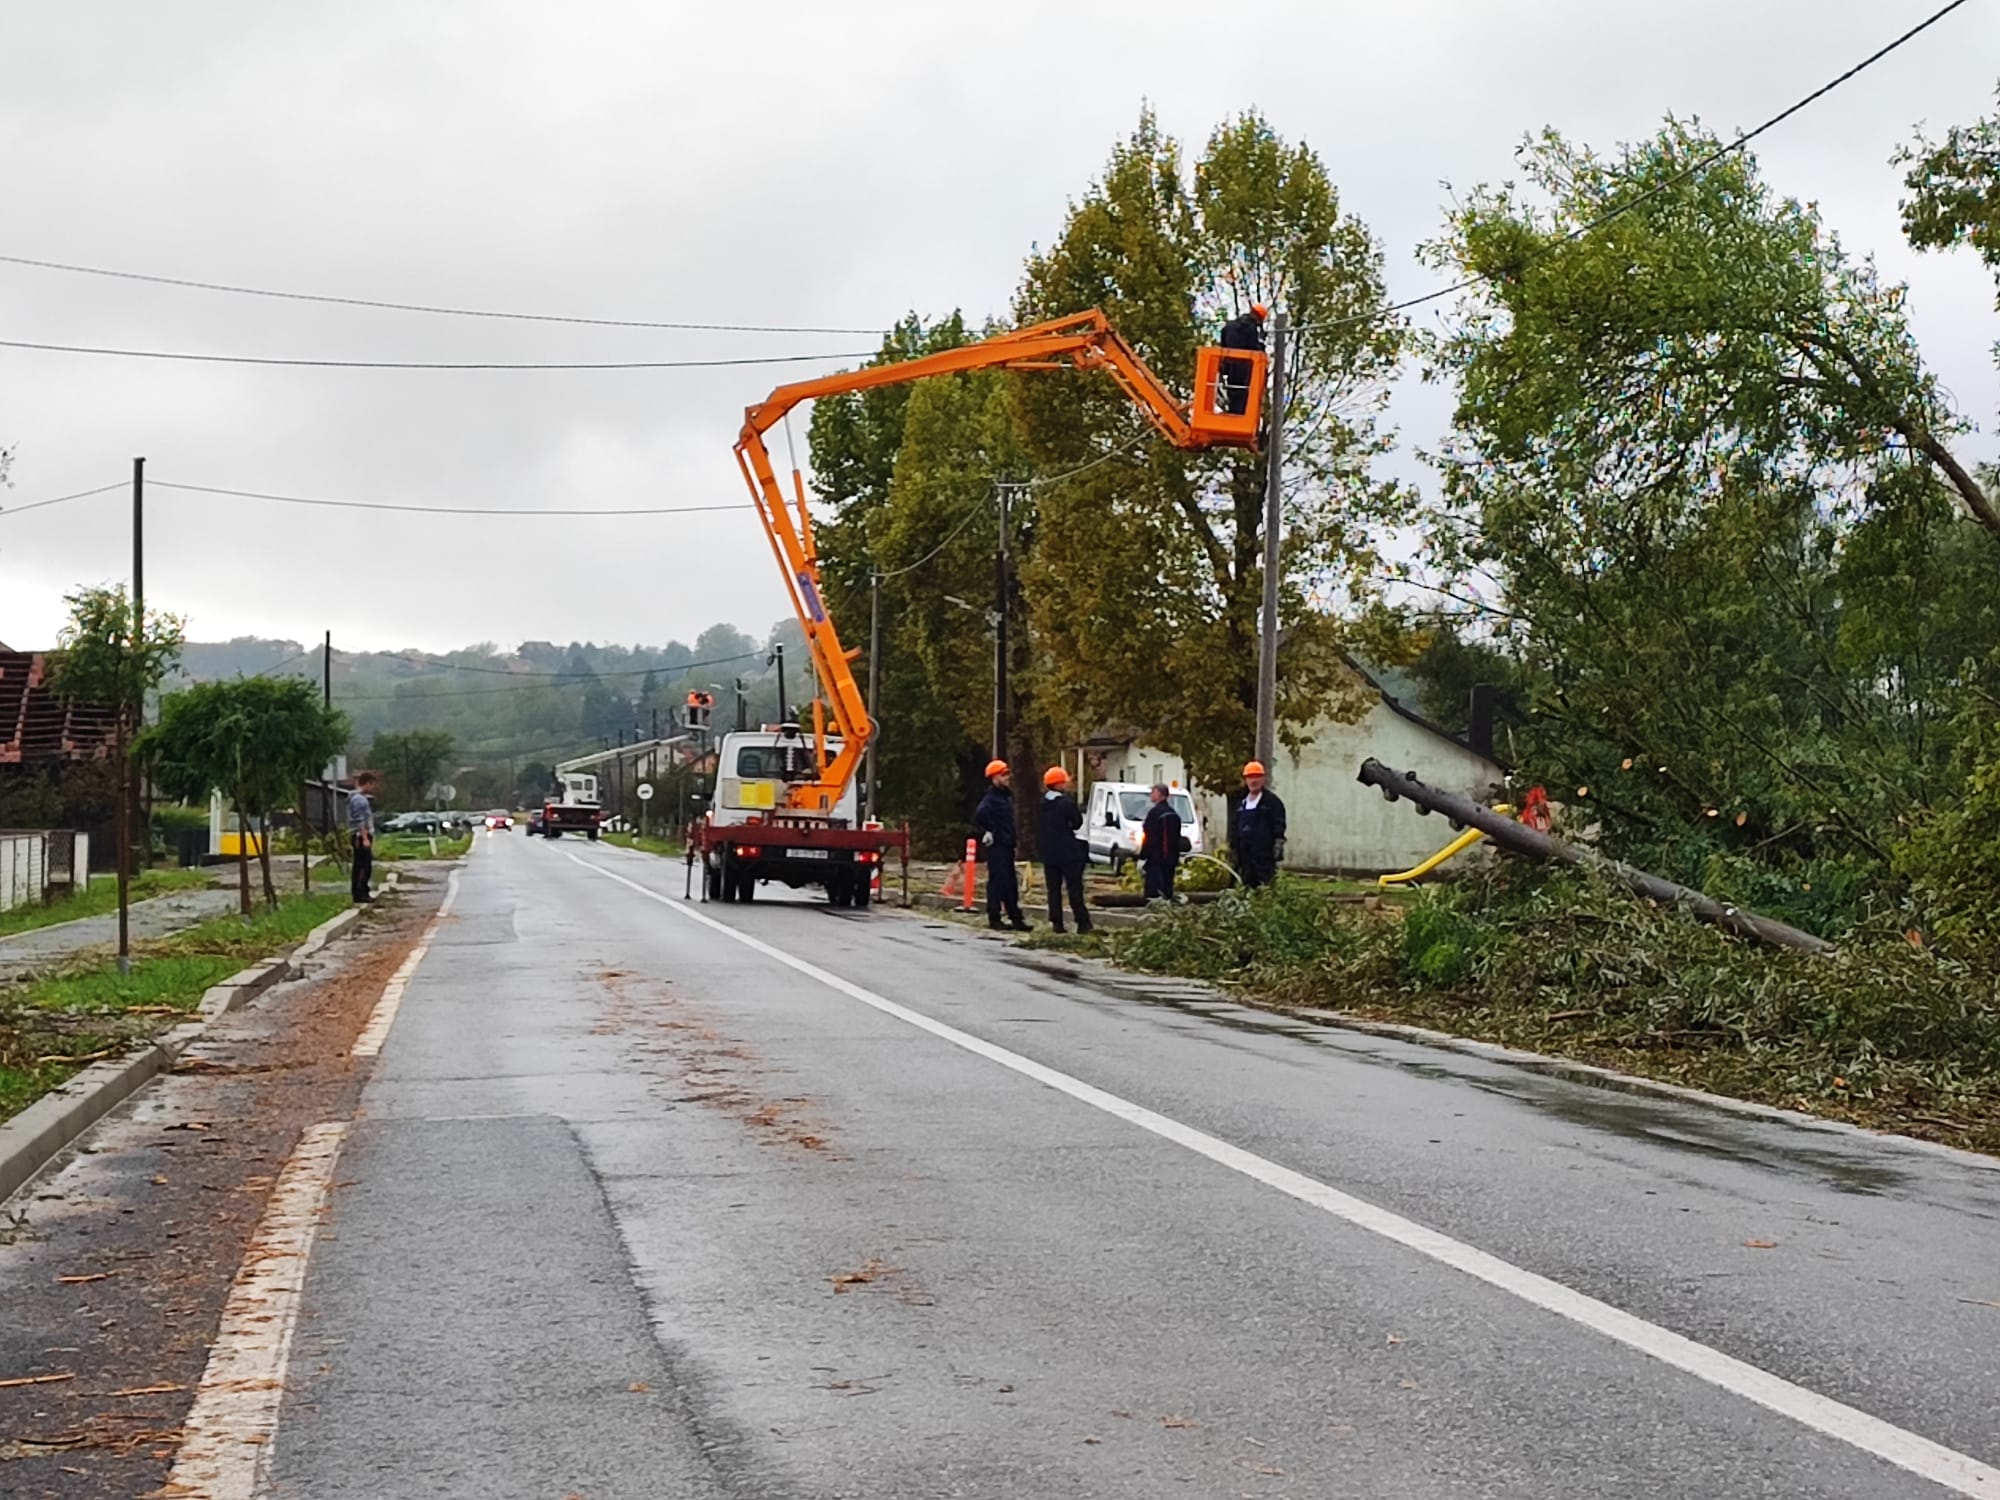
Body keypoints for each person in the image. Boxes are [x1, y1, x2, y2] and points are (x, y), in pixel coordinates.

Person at [973, 759, 1030, 932]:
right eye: (1003, 775)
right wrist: (992, 830)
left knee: (1009, 883)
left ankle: (1015, 917)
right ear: (994, 778)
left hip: (1006, 844)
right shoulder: (992, 798)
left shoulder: (1004, 796)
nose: (1007, 778)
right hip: (998, 846)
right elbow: (980, 814)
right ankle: (995, 917)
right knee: (998, 882)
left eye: (1007, 774)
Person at [1037, 766, 1092, 935]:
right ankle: (1082, 923)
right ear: (1059, 784)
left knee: (1053, 889)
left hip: (1049, 853)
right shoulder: (1067, 804)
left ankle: (1057, 923)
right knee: (1074, 888)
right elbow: (1077, 823)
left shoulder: (1041, 804)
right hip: (1068, 852)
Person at [1229, 759, 1287, 889]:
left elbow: (1279, 824)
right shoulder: (1240, 803)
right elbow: (1234, 827)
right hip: (1244, 857)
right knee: (1246, 887)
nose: (1253, 781)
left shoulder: (1272, 803)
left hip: (1263, 857)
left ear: (1263, 779)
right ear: (1245, 780)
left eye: (1256, 777)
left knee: (1265, 888)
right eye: (1250, 777)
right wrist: (1233, 848)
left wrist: (1278, 843)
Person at [1217, 303, 1267, 416]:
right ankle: (1238, 415)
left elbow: (1224, 344)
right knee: (1242, 395)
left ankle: (1233, 412)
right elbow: (1252, 347)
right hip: (1243, 369)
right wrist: (1262, 346)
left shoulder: (1229, 325)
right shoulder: (1251, 328)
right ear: (1258, 319)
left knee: (1233, 392)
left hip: (1231, 367)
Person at [1139, 783, 1182, 902]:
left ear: (1160, 794)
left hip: (1155, 859)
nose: (1150, 795)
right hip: (1170, 859)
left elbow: (1149, 837)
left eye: (1153, 792)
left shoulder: (1155, 814)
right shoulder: (1173, 813)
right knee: (1167, 890)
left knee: (1154, 893)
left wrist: (1143, 856)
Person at [347, 770, 379, 904]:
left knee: (361, 865)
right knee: (363, 866)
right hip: (361, 836)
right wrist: (365, 838)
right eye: (373, 785)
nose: (373, 789)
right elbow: (360, 820)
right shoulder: (359, 800)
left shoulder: (357, 798)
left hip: (360, 835)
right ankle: (361, 892)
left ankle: (360, 892)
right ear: (368, 783)